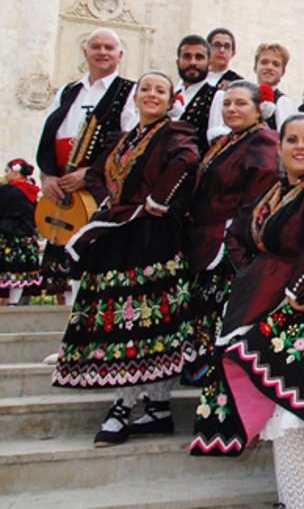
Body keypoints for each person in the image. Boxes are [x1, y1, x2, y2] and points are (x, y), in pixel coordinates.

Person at [191, 114, 304, 509]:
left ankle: (297, 504)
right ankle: (290, 501)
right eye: (291, 140)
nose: (299, 147)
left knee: (293, 412)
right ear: (280, 147)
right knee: (277, 412)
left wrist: (295, 284)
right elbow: (237, 233)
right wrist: (254, 270)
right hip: (259, 299)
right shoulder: (272, 191)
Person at [54, 71, 199, 447]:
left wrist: (158, 199)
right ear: (136, 98)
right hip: (119, 236)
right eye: (145, 89)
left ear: (171, 100)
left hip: (152, 238)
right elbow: (100, 173)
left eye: (160, 91)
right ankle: (154, 408)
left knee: (149, 323)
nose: (152, 95)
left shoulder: (175, 132)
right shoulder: (121, 139)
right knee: (130, 323)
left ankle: (127, 406)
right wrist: (110, 203)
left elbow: (186, 161)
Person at [184, 81, 279, 384]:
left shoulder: (263, 142)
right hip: (207, 237)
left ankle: (219, 375)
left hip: (230, 243)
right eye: (227, 104)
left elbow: (256, 197)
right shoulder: (226, 142)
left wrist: (236, 239)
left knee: (221, 311)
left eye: (240, 104)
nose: (232, 109)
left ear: (257, 109)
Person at [35, 29, 137, 300]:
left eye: (109, 47)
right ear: (85, 52)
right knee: (62, 256)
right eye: (96, 46)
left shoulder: (129, 91)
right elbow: (49, 133)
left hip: (98, 188)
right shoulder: (68, 91)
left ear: (120, 54)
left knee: (90, 253)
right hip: (62, 186)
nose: (102, 52)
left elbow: (129, 141)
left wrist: (90, 173)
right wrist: (47, 176)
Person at [173, 34, 228, 153]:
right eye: (187, 57)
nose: (193, 62)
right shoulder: (172, 96)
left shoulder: (217, 96)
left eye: (199, 57)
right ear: (178, 62)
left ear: (209, 64)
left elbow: (216, 145)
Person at [0, 160, 42, 303]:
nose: (6, 174)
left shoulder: (8, 190)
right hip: (26, 236)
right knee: (20, 273)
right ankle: (14, 302)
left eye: (7, 171)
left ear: (16, 172)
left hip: (7, 235)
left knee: (6, 269)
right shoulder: (32, 191)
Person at [253, 42, 298, 130]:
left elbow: (286, 136)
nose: (269, 67)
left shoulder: (283, 101)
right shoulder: (247, 96)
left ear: (283, 71)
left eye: (276, 64)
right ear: (255, 67)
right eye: (264, 62)